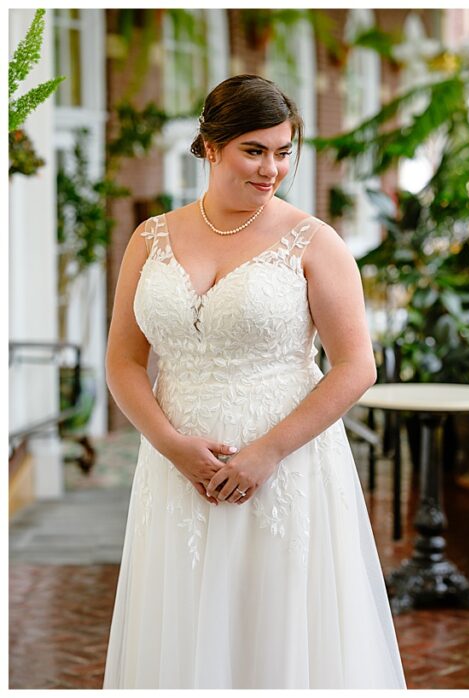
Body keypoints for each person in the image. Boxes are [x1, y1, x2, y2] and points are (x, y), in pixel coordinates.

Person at [103, 75, 405, 688]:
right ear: (211, 147)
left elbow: (356, 366)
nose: (272, 169)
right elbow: (124, 363)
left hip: (283, 466)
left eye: (284, 152)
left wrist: (265, 453)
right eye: (255, 150)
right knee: (181, 619)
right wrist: (171, 446)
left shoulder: (314, 242)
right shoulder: (149, 238)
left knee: (276, 621)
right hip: (175, 463)